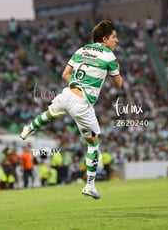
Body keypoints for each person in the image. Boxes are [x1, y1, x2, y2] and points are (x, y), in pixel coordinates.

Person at [20, 20, 123, 199]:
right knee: (93, 144)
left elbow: (65, 74)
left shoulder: (81, 50)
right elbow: (118, 84)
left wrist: (77, 85)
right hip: (82, 104)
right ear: (105, 40)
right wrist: (115, 69)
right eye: (114, 37)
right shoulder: (108, 56)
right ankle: (90, 185)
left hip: (67, 94)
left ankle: (28, 129)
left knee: (50, 114)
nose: (117, 40)